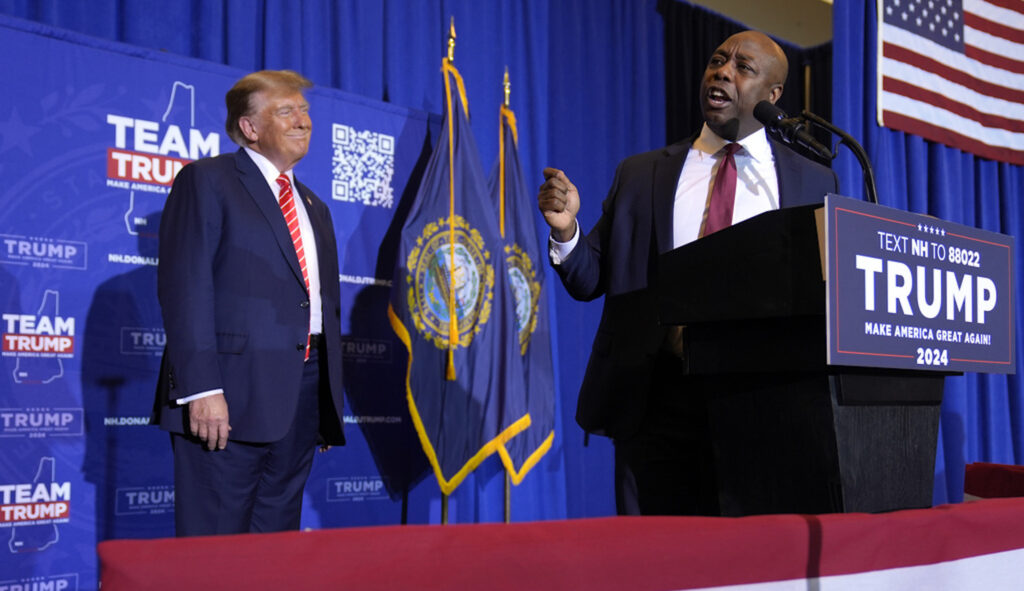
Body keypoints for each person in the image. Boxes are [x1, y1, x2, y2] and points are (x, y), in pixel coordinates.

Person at [537, 31, 837, 516]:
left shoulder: (814, 181)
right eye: (717, 60)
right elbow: (591, 278)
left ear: (773, 95)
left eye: (743, 67)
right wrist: (568, 228)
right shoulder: (641, 174)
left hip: (763, 403)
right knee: (653, 563)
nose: (722, 71)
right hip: (656, 401)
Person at [154, 70, 345, 536]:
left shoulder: (314, 205)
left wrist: (321, 401)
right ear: (250, 128)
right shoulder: (207, 181)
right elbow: (186, 289)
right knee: (214, 554)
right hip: (226, 401)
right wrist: (201, 390)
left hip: (299, 402)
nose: (303, 121)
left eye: (305, 111)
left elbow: (318, 307)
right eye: (286, 111)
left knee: (275, 551)